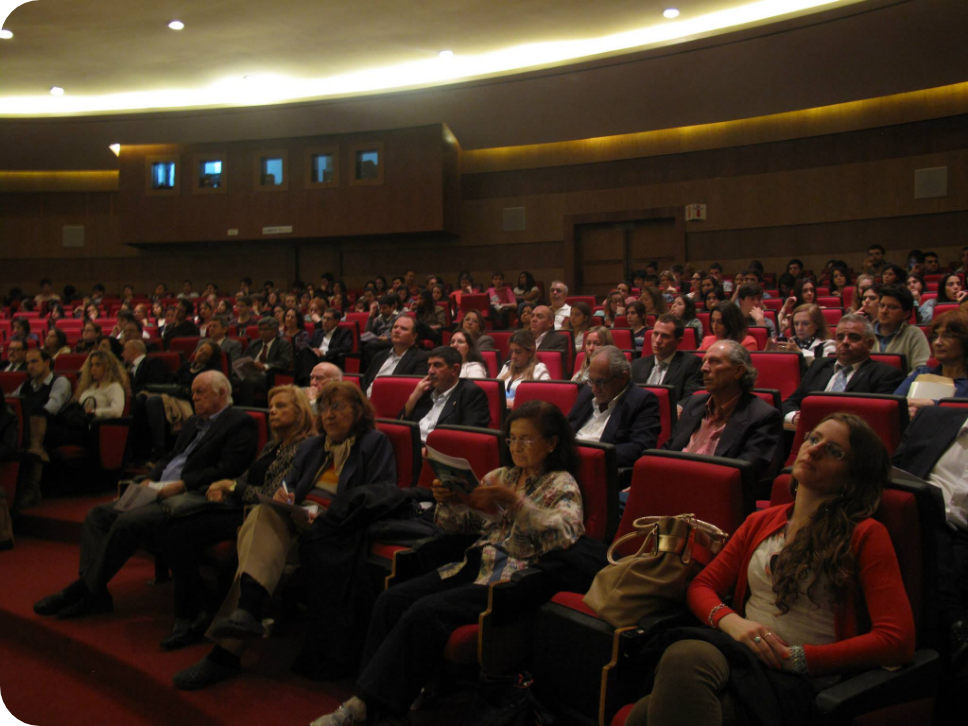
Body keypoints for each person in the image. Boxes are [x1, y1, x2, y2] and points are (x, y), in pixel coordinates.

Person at [311, 400, 584, 726]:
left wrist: (514, 501)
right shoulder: (501, 475)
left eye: (527, 439)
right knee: (390, 599)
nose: (516, 447)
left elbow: (564, 534)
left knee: (425, 611)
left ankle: (366, 706)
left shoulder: (561, 483)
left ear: (552, 443)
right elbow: (459, 527)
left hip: (513, 579)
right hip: (473, 563)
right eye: (512, 438)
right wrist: (453, 502)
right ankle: (377, 704)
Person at [630, 413, 914, 726]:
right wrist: (733, 623)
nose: (815, 449)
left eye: (834, 451)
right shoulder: (762, 521)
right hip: (742, 659)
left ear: (852, 477)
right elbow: (702, 586)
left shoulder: (865, 534)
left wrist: (798, 659)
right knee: (679, 665)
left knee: (647, 711)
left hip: (801, 682)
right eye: (813, 438)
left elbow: (896, 640)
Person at [173, 381, 399, 688]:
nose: (329, 415)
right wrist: (286, 496)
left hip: (337, 527)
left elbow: (381, 493)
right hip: (296, 520)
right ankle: (247, 611)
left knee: (257, 534)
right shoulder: (311, 446)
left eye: (339, 407)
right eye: (325, 408)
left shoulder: (374, 443)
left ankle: (226, 650)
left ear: (358, 411)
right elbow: (289, 485)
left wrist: (327, 513)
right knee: (264, 512)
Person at [33, 371, 258, 620]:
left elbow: (228, 469)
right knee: (98, 515)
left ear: (222, 393)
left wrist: (182, 484)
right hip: (158, 489)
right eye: (193, 392)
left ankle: (83, 590)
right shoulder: (194, 422)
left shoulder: (239, 423)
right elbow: (170, 457)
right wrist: (151, 477)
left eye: (200, 392)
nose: (193, 397)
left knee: (128, 521)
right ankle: (95, 594)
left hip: (191, 496)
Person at [158, 385, 315, 650]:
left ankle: (192, 616)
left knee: (180, 533)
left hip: (259, 516)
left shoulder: (304, 447)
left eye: (281, 407)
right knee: (171, 527)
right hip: (239, 506)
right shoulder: (275, 444)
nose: (272, 412)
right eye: (271, 406)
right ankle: (201, 608)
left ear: (300, 412)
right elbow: (245, 478)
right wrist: (225, 485)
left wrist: (231, 487)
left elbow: (273, 495)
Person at [893, 405, 968, 671]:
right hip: (915, 516)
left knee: (943, 556)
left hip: (963, 533)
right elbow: (894, 469)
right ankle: (955, 625)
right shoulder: (933, 418)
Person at [665, 340, 781, 487]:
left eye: (714, 362)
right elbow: (669, 448)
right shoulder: (694, 403)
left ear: (738, 371)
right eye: (704, 361)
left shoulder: (762, 416)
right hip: (670, 483)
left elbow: (744, 472)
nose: (703, 368)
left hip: (711, 493)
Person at [781, 315, 905, 425]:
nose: (845, 342)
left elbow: (877, 419)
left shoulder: (885, 375)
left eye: (853, 337)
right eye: (840, 337)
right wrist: (794, 417)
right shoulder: (819, 366)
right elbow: (790, 402)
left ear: (869, 344)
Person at [568, 346, 660, 467]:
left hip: (600, 468)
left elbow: (640, 448)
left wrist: (590, 457)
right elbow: (567, 425)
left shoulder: (642, 400)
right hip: (567, 462)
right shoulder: (587, 392)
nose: (595, 389)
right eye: (591, 381)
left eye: (601, 382)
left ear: (623, 378)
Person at [141, 341, 224, 462]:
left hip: (188, 400)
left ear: (211, 359)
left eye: (205, 354)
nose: (200, 354)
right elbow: (173, 381)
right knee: (141, 398)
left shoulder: (210, 372)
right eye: (200, 350)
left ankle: (160, 448)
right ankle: (143, 449)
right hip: (173, 395)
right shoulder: (187, 366)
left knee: (154, 401)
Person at [399, 346, 490, 441]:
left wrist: (426, 452)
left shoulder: (471, 394)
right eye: (429, 365)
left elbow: (467, 438)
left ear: (454, 369)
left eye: (437, 365)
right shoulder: (425, 391)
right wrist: (413, 398)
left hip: (438, 453)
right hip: (413, 448)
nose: (431, 371)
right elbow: (400, 427)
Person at [893, 309, 968, 416]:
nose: (937, 342)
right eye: (935, 336)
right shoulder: (922, 373)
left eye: (947, 336)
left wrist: (931, 404)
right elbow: (895, 403)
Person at [632, 314, 705, 408]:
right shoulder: (637, 364)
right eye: (655, 334)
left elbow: (692, 396)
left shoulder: (691, 364)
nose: (658, 340)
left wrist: (679, 407)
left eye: (665, 336)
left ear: (678, 341)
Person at [363, 316, 429, 396]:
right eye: (395, 327)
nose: (397, 330)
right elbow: (365, 382)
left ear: (414, 336)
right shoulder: (379, 356)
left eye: (403, 329)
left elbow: (414, 391)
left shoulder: (422, 358)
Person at [239, 317, 294, 406]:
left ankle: (247, 410)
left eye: (265, 329)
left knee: (248, 381)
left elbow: (284, 363)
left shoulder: (283, 344)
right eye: (260, 330)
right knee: (228, 379)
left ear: (275, 331)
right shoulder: (254, 343)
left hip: (267, 376)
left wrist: (264, 366)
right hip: (249, 372)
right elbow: (244, 359)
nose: (262, 332)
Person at [873, 285, 930, 370]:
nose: (884, 311)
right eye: (882, 305)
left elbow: (921, 369)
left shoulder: (914, 334)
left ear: (905, 314)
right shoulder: (864, 332)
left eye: (892, 307)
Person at [296, 307, 353, 384]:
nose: (325, 321)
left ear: (337, 321)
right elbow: (307, 343)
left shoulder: (344, 332)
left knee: (305, 358)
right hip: (314, 357)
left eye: (328, 319)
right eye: (324, 318)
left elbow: (345, 348)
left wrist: (325, 353)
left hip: (330, 359)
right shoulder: (318, 332)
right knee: (304, 352)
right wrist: (313, 350)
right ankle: (305, 381)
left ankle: (305, 383)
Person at [497, 330, 551, 406]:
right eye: (511, 351)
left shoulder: (539, 370)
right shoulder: (507, 366)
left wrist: (515, 405)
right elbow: (495, 391)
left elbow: (543, 401)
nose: (513, 356)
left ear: (530, 352)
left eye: (518, 352)